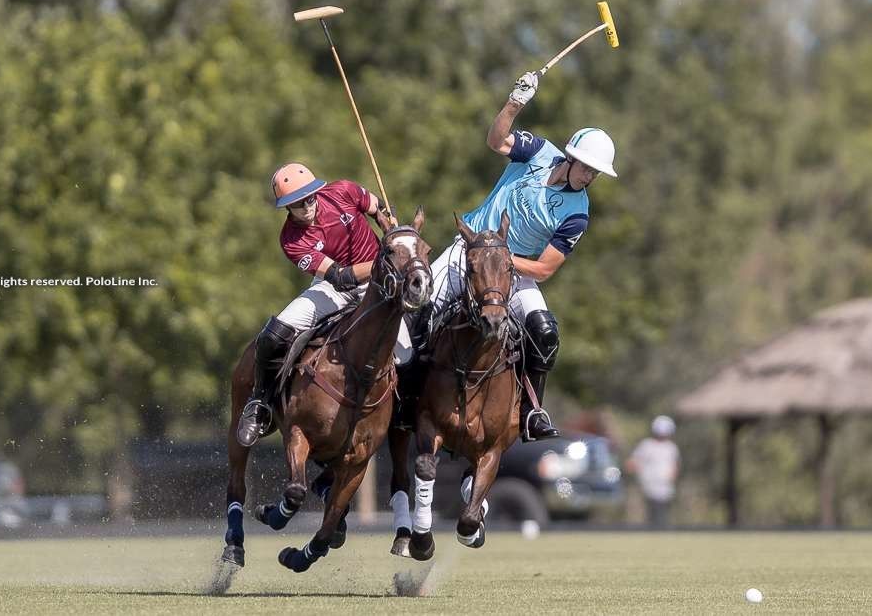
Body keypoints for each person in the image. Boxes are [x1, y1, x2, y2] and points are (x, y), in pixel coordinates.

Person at [397, 70, 618, 442]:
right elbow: (496, 140)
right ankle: (405, 402)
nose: (590, 178)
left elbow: (545, 268)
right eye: (587, 168)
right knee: (418, 315)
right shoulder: (539, 152)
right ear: (571, 157)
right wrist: (515, 103)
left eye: (596, 173)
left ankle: (531, 412)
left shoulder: (577, 211)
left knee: (545, 332)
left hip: (515, 270)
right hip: (465, 253)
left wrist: (497, 259)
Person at [235, 162, 401, 446]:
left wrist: (391, 226)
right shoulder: (291, 239)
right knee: (274, 332)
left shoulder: (343, 191)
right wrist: (384, 264)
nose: (306, 206)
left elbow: (379, 207)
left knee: (411, 349)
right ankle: (260, 403)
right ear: (287, 208)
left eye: (309, 197)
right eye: (297, 204)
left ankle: (408, 410)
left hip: (379, 288)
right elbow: (340, 276)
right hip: (336, 287)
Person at [625, 415, 681, 528]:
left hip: (664, 488)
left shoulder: (671, 447)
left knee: (661, 516)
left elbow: (674, 467)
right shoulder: (646, 445)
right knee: (651, 516)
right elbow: (632, 464)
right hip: (648, 487)